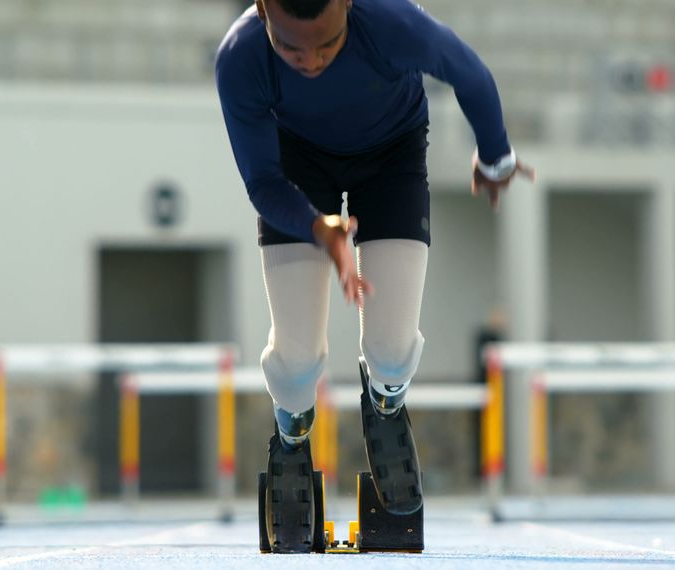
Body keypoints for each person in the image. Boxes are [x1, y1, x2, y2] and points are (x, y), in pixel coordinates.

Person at [215, 0, 535, 553]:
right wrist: (319, 227)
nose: (310, 61)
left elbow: (469, 72)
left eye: (326, 45)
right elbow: (263, 180)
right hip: (295, 173)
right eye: (291, 49)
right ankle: (291, 437)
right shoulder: (241, 58)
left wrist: (495, 157)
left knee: (391, 352)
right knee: (296, 365)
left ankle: (384, 402)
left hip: (391, 158)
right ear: (265, 11)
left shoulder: (390, 23)